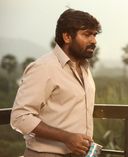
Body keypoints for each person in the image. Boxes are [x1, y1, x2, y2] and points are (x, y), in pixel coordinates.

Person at [10, 8, 101, 157]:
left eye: (94, 34)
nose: (93, 41)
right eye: (86, 34)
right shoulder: (43, 68)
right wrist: (67, 138)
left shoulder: (84, 68)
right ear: (67, 37)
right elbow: (20, 117)